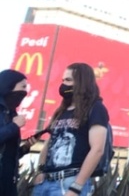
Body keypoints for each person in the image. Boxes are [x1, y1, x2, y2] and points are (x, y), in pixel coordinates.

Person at [33, 63, 110, 196]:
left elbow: (97, 149)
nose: (64, 85)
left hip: (70, 181)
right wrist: (40, 170)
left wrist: (76, 186)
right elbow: (49, 143)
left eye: (68, 80)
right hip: (46, 181)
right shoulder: (61, 111)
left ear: (81, 83)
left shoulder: (96, 108)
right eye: (63, 80)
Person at [0, 69, 37, 196]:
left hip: (8, 182)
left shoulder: (12, 113)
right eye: (23, 87)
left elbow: (7, 155)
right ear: (9, 86)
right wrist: (14, 126)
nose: (25, 92)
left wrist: (25, 148)